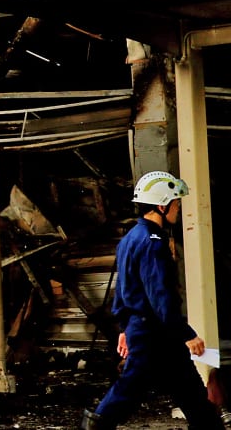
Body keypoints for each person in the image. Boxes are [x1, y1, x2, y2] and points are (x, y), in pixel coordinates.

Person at [82, 171, 225, 429]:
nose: (178, 209)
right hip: (154, 334)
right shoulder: (153, 243)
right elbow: (161, 296)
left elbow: (123, 289)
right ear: (162, 205)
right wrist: (187, 333)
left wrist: (125, 328)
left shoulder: (130, 238)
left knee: (191, 394)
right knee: (128, 391)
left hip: (147, 331)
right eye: (176, 203)